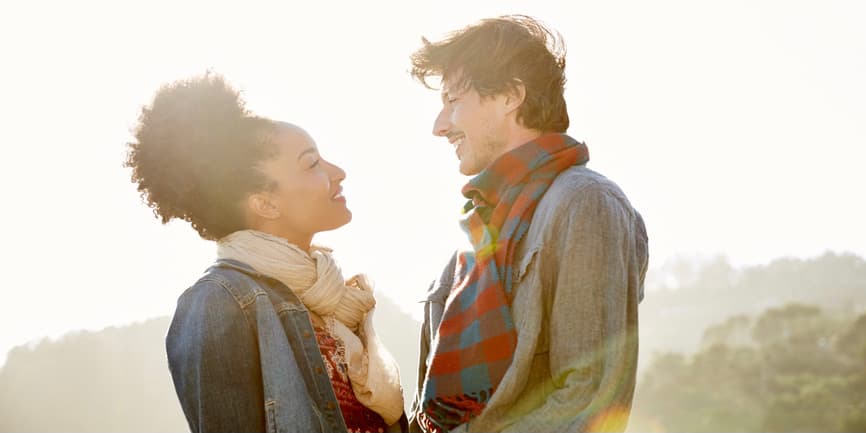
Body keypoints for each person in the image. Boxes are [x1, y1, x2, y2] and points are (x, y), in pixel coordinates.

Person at [125, 73, 407, 433]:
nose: (338, 172)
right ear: (265, 203)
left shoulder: (333, 300)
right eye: (312, 163)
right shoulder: (217, 302)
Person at [407, 15, 649, 432]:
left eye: (453, 101)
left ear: (510, 96)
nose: (439, 126)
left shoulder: (584, 202)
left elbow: (589, 399)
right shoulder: (478, 231)